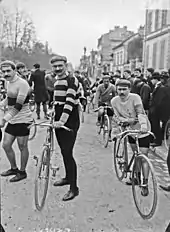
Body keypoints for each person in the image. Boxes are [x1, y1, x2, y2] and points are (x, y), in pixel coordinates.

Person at [111, 79, 151, 196]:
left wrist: (143, 125)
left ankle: (145, 183)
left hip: (142, 130)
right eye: (119, 89)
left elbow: (141, 112)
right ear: (116, 89)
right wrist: (124, 123)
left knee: (143, 156)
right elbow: (117, 118)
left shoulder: (135, 98)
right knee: (136, 154)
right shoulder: (114, 101)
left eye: (124, 89)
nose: (122, 92)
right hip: (130, 130)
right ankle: (137, 177)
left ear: (129, 90)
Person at [50, 55, 80, 201]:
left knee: (68, 153)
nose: (57, 69)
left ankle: (74, 189)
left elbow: (69, 102)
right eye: (55, 66)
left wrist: (62, 121)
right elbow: (58, 101)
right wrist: (53, 113)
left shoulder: (71, 80)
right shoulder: (57, 80)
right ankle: (68, 178)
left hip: (70, 119)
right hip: (59, 118)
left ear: (65, 65)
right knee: (63, 151)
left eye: (60, 66)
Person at [0, 60, 32, 182]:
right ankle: (14, 168)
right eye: (3, 71)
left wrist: (4, 120)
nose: (6, 74)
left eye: (8, 71)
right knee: (6, 145)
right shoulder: (8, 83)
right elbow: (9, 99)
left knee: (22, 146)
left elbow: (18, 106)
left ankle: (22, 172)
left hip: (23, 119)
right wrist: (1, 104)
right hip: (13, 120)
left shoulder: (22, 84)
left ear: (14, 70)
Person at [95, 74, 116, 140]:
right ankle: (99, 120)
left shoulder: (112, 87)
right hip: (102, 103)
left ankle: (109, 135)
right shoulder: (100, 87)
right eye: (105, 81)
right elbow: (97, 96)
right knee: (101, 112)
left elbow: (115, 97)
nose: (106, 83)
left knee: (110, 120)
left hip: (110, 104)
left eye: (107, 81)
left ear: (109, 81)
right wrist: (96, 105)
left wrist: (115, 106)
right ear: (103, 81)